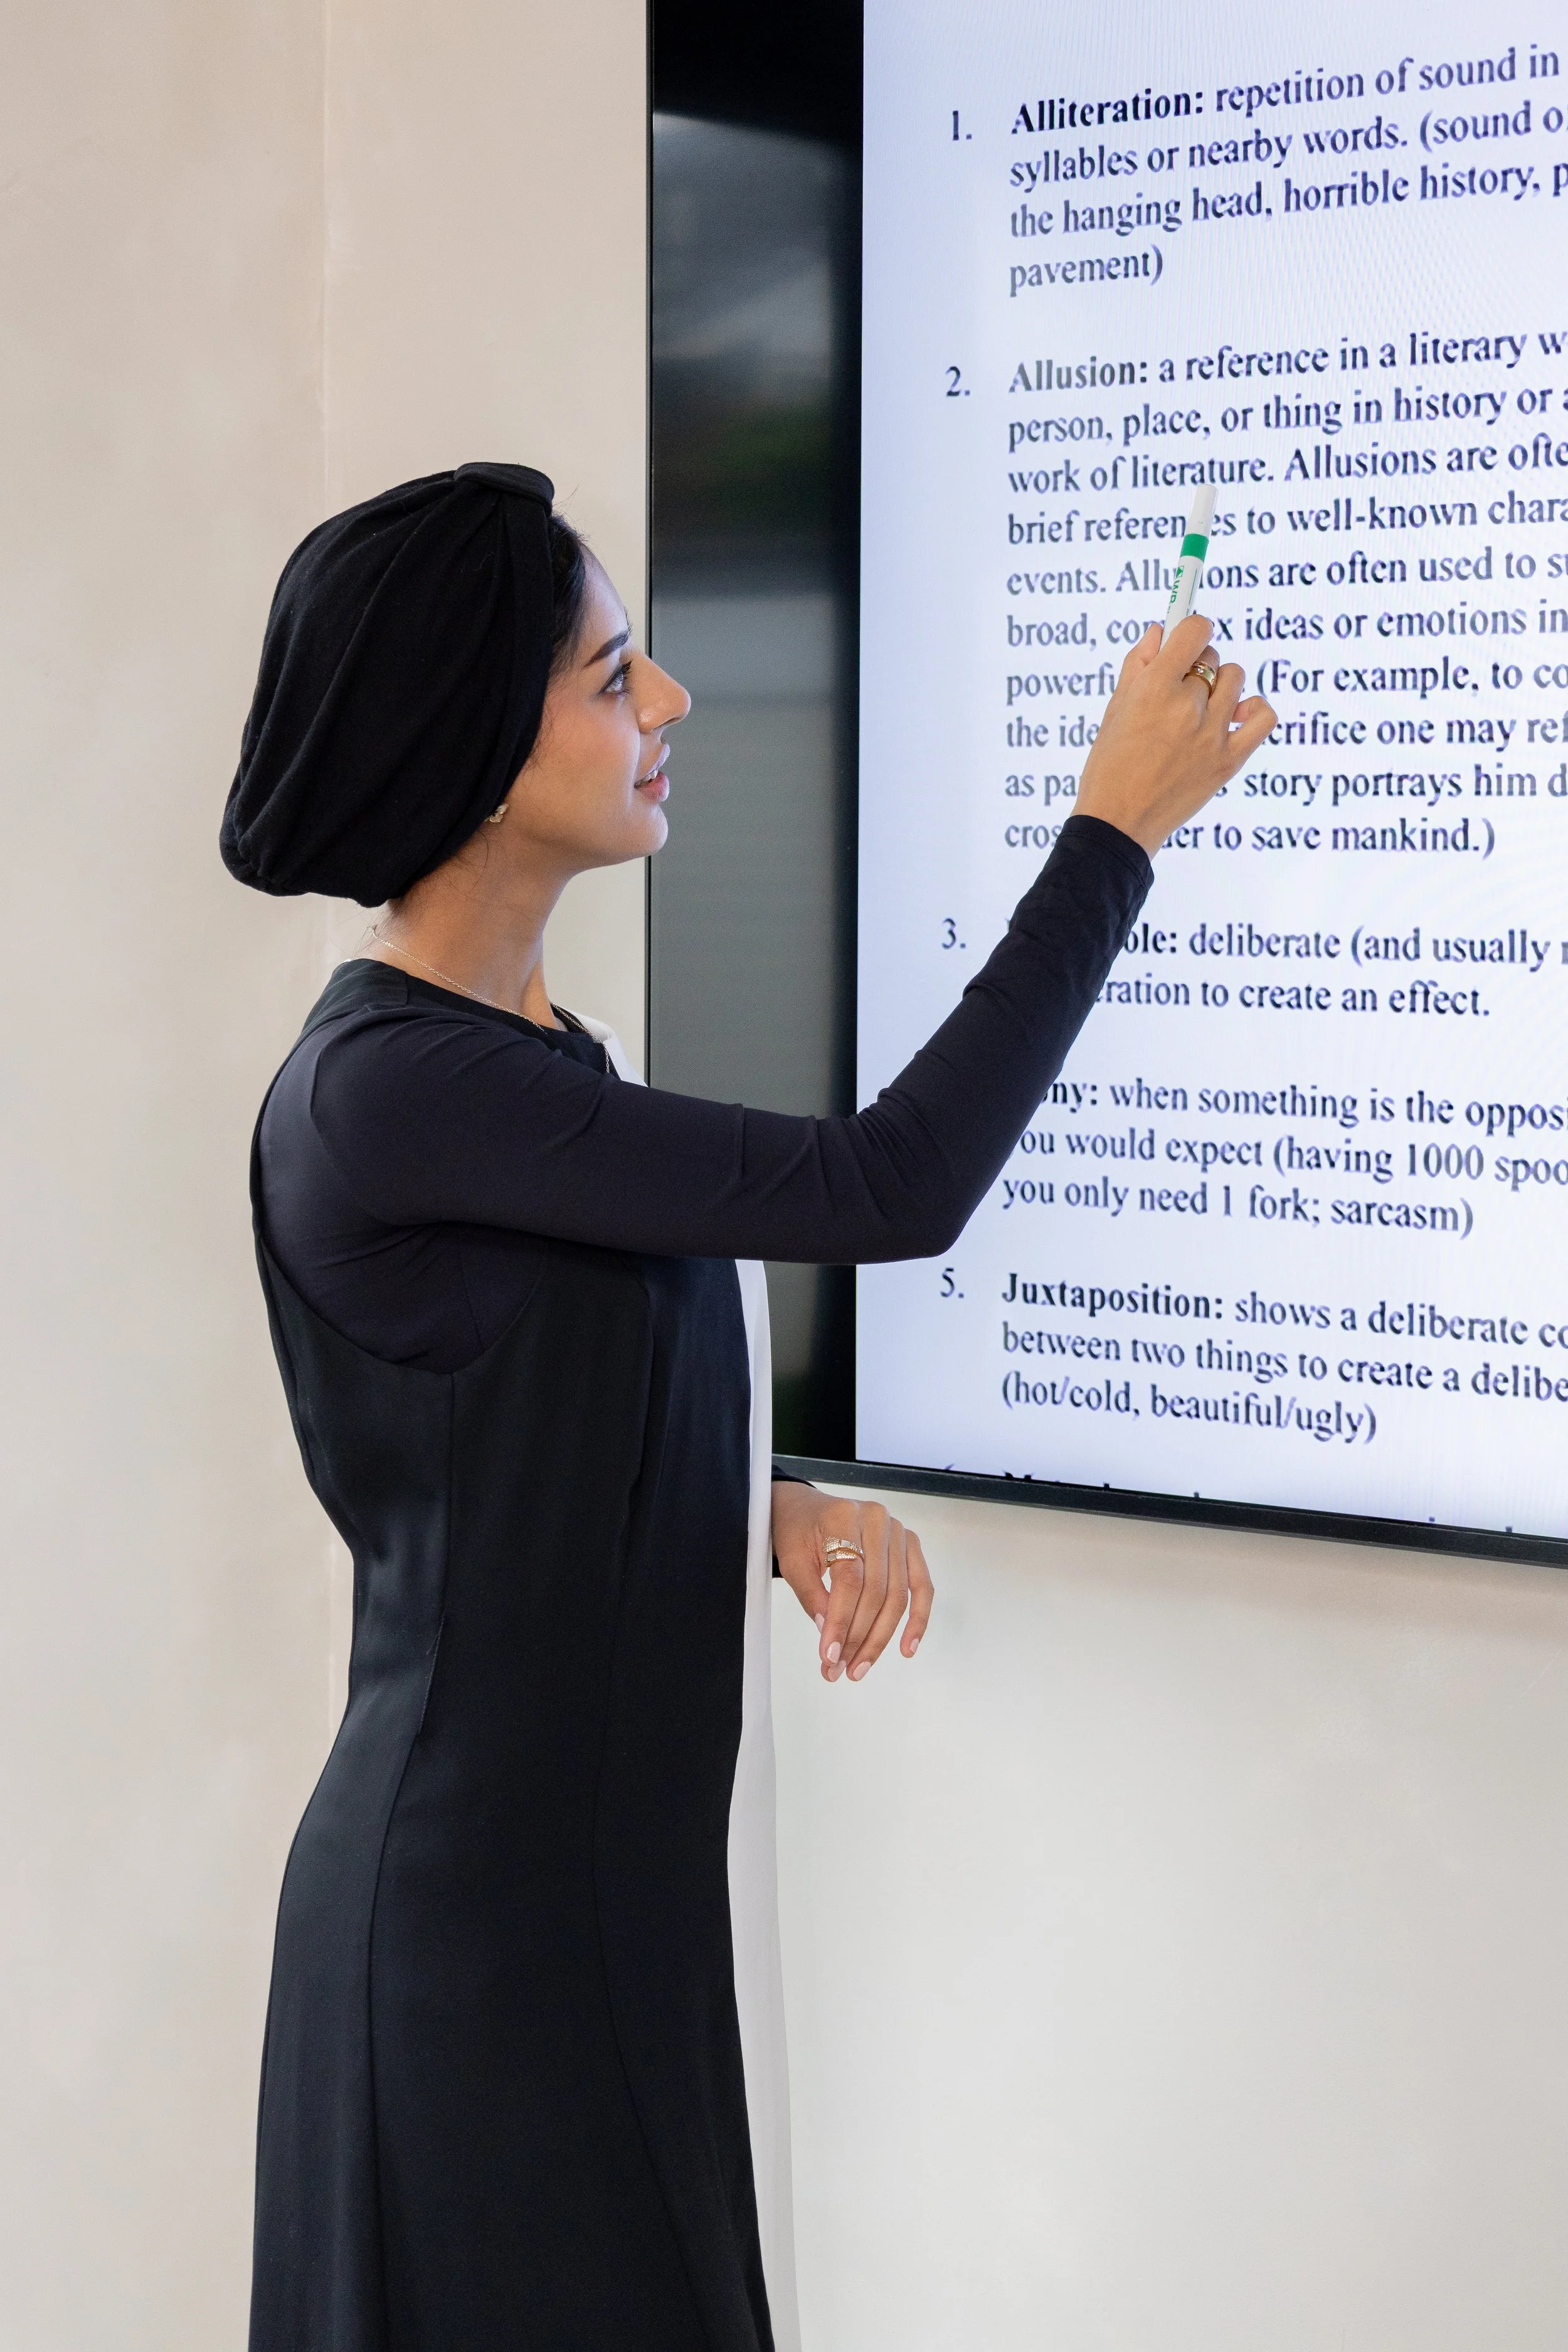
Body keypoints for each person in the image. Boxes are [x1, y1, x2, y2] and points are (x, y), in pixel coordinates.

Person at [223, 462, 1273, 2352]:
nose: (671, 704)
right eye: (617, 673)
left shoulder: (536, 1063)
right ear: (475, 745)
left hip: (596, 1925)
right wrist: (1110, 835)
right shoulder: (387, 1092)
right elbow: (888, 1186)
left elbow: (538, 1387)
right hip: (475, 1953)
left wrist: (765, 1509)